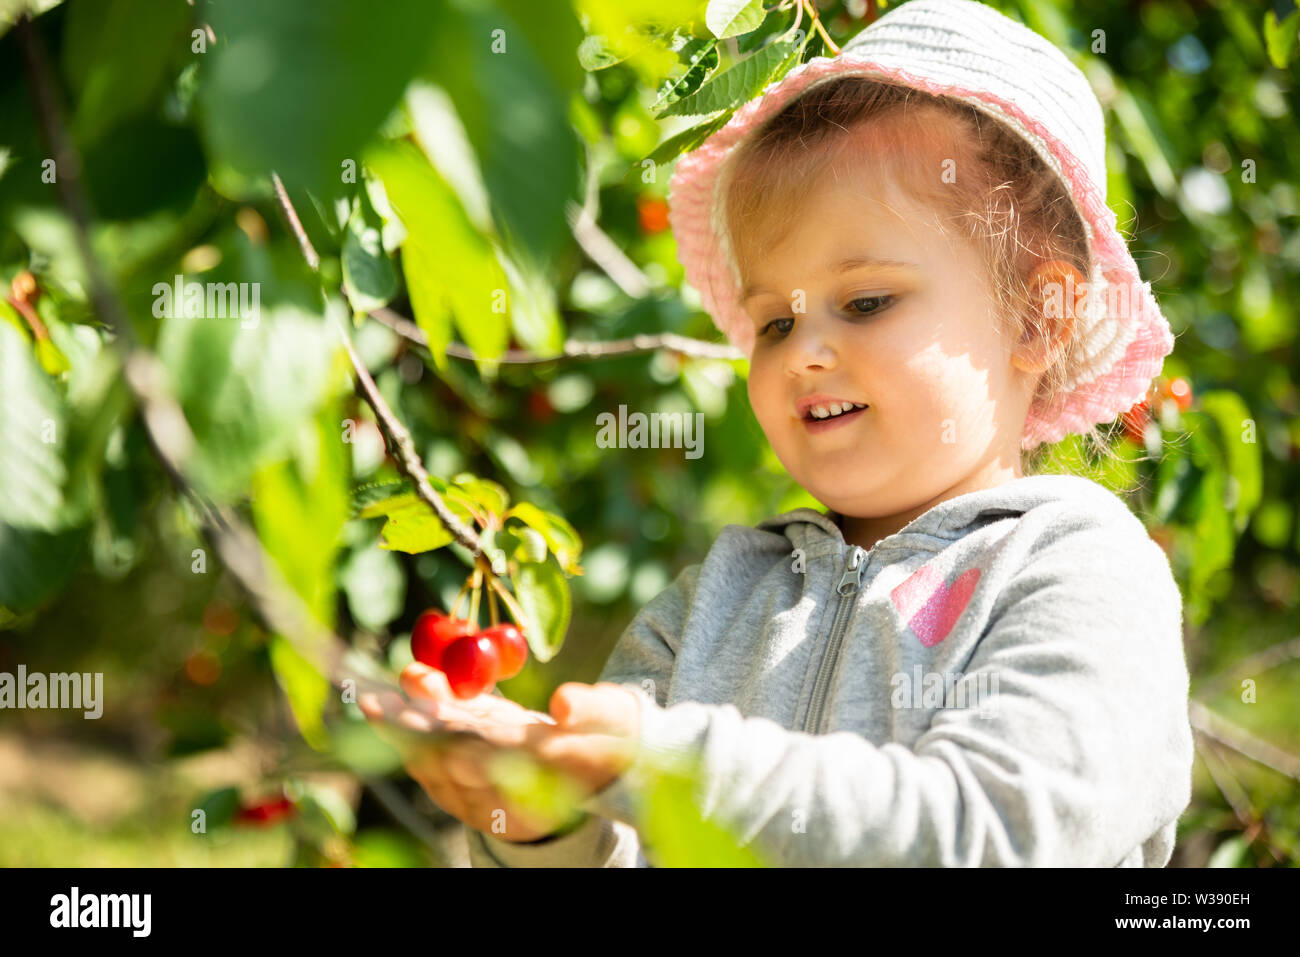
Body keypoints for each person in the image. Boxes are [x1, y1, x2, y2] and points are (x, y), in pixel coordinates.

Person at [360, 0, 1193, 867]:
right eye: (774, 323)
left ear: (1039, 319)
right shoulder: (713, 599)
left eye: (866, 301)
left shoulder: (1078, 571)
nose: (804, 354)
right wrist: (549, 820)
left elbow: (999, 833)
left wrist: (673, 766)